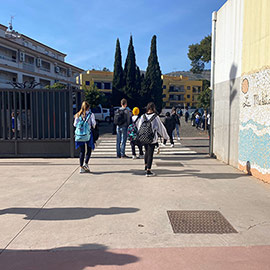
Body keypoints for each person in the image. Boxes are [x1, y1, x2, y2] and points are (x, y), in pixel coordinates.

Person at [137, 102, 169, 177]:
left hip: (143, 137)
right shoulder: (155, 117)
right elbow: (161, 128)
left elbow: (139, 127)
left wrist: (140, 135)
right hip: (152, 138)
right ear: (153, 108)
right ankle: (148, 170)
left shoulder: (143, 116)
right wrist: (166, 137)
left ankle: (146, 165)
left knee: (146, 152)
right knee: (150, 154)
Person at [74, 101, 96, 173]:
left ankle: (81, 167)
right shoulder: (91, 114)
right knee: (89, 149)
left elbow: (75, 124)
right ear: (88, 107)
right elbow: (94, 124)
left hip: (80, 135)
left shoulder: (78, 115)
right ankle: (86, 163)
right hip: (88, 134)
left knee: (82, 151)